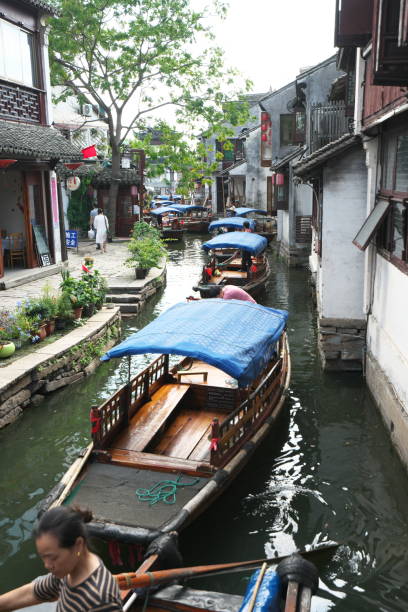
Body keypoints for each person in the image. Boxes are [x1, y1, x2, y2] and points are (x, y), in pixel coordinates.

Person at [0, 506, 123, 611]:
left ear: (78, 545)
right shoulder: (69, 571)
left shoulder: (101, 599)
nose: (47, 565)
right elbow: (34, 593)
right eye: (43, 558)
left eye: (52, 557)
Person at [188, 284, 256, 303]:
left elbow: (217, 303)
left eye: (217, 297)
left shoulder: (228, 295)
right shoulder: (225, 288)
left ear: (220, 293)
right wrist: (195, 299)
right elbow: (213, 301)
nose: (218, 298)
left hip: (251, 306)